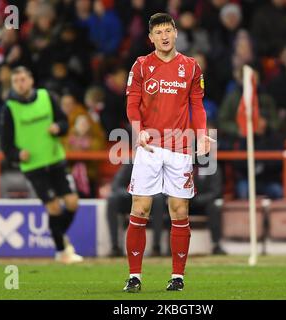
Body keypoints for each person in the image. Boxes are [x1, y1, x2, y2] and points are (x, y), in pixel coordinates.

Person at [123, 13, 212, 292]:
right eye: (158, 32)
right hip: (149, 147)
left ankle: (178, 277)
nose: (163, 36)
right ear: (150, 38)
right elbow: (132, 103)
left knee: (178, 210)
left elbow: (197, 106)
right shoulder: (140, 66)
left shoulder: (191, 67)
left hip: (180, 148)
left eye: (168, 30)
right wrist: (139, 130)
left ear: (175, 33)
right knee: (140, 208)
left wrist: (202, 134)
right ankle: (135, 276)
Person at [0, 66, 83, 264]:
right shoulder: (9, 108)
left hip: (55, 159)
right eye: (16, 81)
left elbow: (64, 122)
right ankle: (61, 251)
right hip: (33, 166)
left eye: (23, 79)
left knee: (72, 202)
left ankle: (59, 237)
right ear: (12, 85)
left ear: (31, 80)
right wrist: (17, 154)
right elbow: (5, 144)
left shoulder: (47, 97)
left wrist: (59, 128)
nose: (20, 84)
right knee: (53, 208)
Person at [106, 164, 167, 257]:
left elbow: (165, 188)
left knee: (159, 199)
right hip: (132, 201)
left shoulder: (159, 165)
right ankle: (115, 247)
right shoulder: (130, 164)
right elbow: (116, 186)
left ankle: (156, 247)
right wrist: (135, 193)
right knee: (112, 199)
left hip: (152, 201)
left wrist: (146, 195)